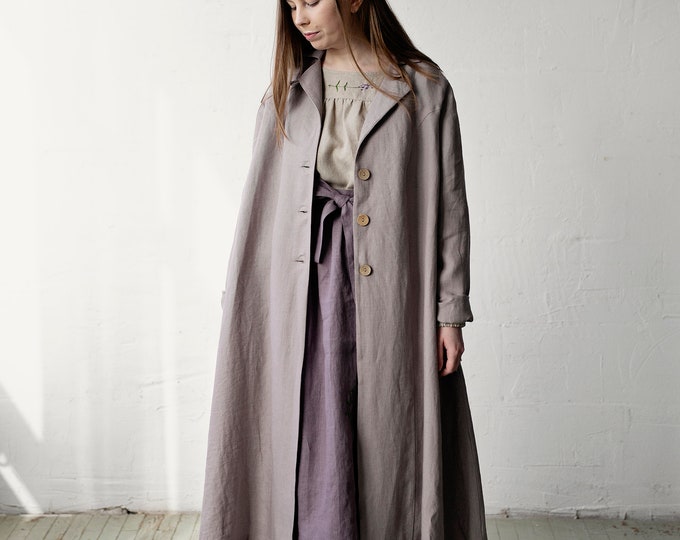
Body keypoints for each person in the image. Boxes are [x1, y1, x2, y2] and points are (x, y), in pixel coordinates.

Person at [199, 0, 487, 538]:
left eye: (311, 1)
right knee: (310, 427)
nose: (299, 18)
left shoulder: (424, 89)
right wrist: (245, 298)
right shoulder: (288, 91)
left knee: (391, 434)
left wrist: (450, 313)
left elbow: (450, 206)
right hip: (305, 293)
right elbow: (260, 203)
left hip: (394, 292)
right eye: (291, 5)